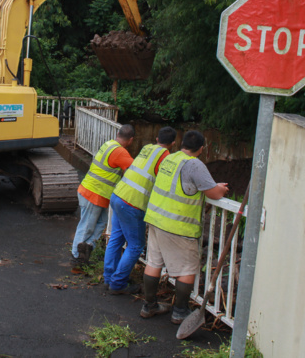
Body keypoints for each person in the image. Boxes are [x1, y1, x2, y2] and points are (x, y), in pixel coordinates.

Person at [140, 130, 229, 324]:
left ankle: (149, 305)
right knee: (188, 268)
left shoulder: (170, 159)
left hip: (156, 218)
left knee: (154, 262)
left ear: (181, 145)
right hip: (178, 226)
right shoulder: (195, 165)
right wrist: (220, 188)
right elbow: (213, 193)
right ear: (202, 149)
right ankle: (180, 311)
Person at [103, 126, 177, 295]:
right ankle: (118, 283)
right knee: (136, 246)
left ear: (157, 139)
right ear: (172, 143)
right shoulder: (165, 157)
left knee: (116, 238)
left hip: (118, 195)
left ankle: (109, 278)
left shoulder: (146, 148)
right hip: (133, 203)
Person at [70, 124, 135, 274]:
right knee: (87, 226)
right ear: (131, 140)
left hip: (95, 193)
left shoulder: (109, 144)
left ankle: (85, 251)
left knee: (100, 224)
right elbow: (135, 172)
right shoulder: (120, 152)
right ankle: (76, 256)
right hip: (94, 194)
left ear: (118, 133)